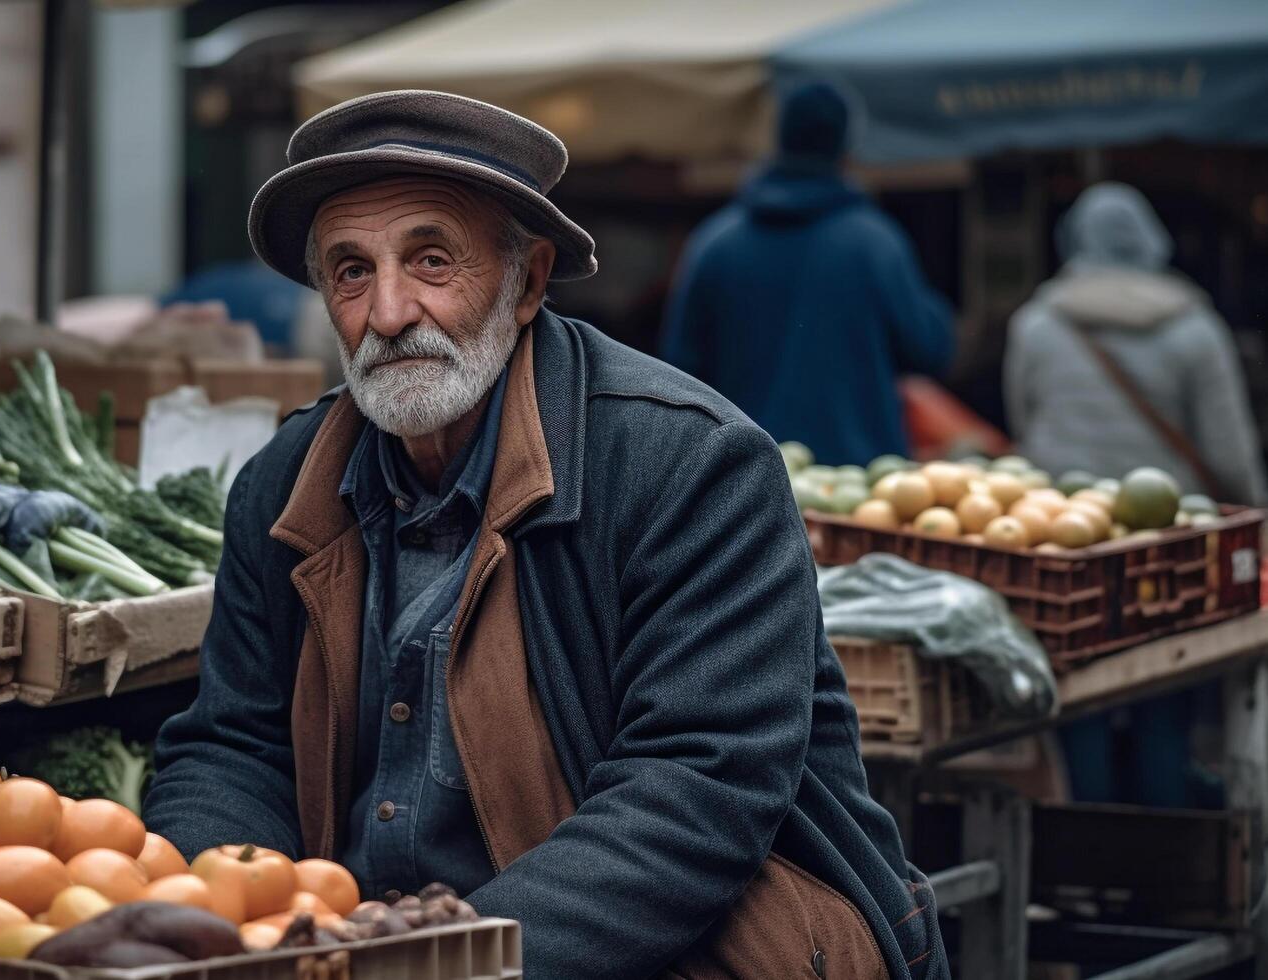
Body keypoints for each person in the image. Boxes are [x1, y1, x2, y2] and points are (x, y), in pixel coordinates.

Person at [144, 91, 943, 980]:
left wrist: (444, 960)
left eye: (432, 260)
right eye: (350, 271)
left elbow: (693, 789)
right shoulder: (283, 483)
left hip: (657, 944)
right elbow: (231, 743)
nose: (389, 312)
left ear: (525, 282)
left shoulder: (690, 467)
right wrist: (241, 929)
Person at [659, 81, 953, 466]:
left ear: (779, 138)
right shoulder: (874, 242)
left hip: (741, 480)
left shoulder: (716, 243)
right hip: (858, 489)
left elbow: (677, 372)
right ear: (845, 147)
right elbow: (930, 348)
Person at [1004, 181, 1267, 506]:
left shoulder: (1036, 324)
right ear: (1151, 237)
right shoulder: (1195, 328)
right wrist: (1255, 513)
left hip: (1058, 517)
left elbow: (1023, 422)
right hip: (1167, 521)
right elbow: (1228, 446)